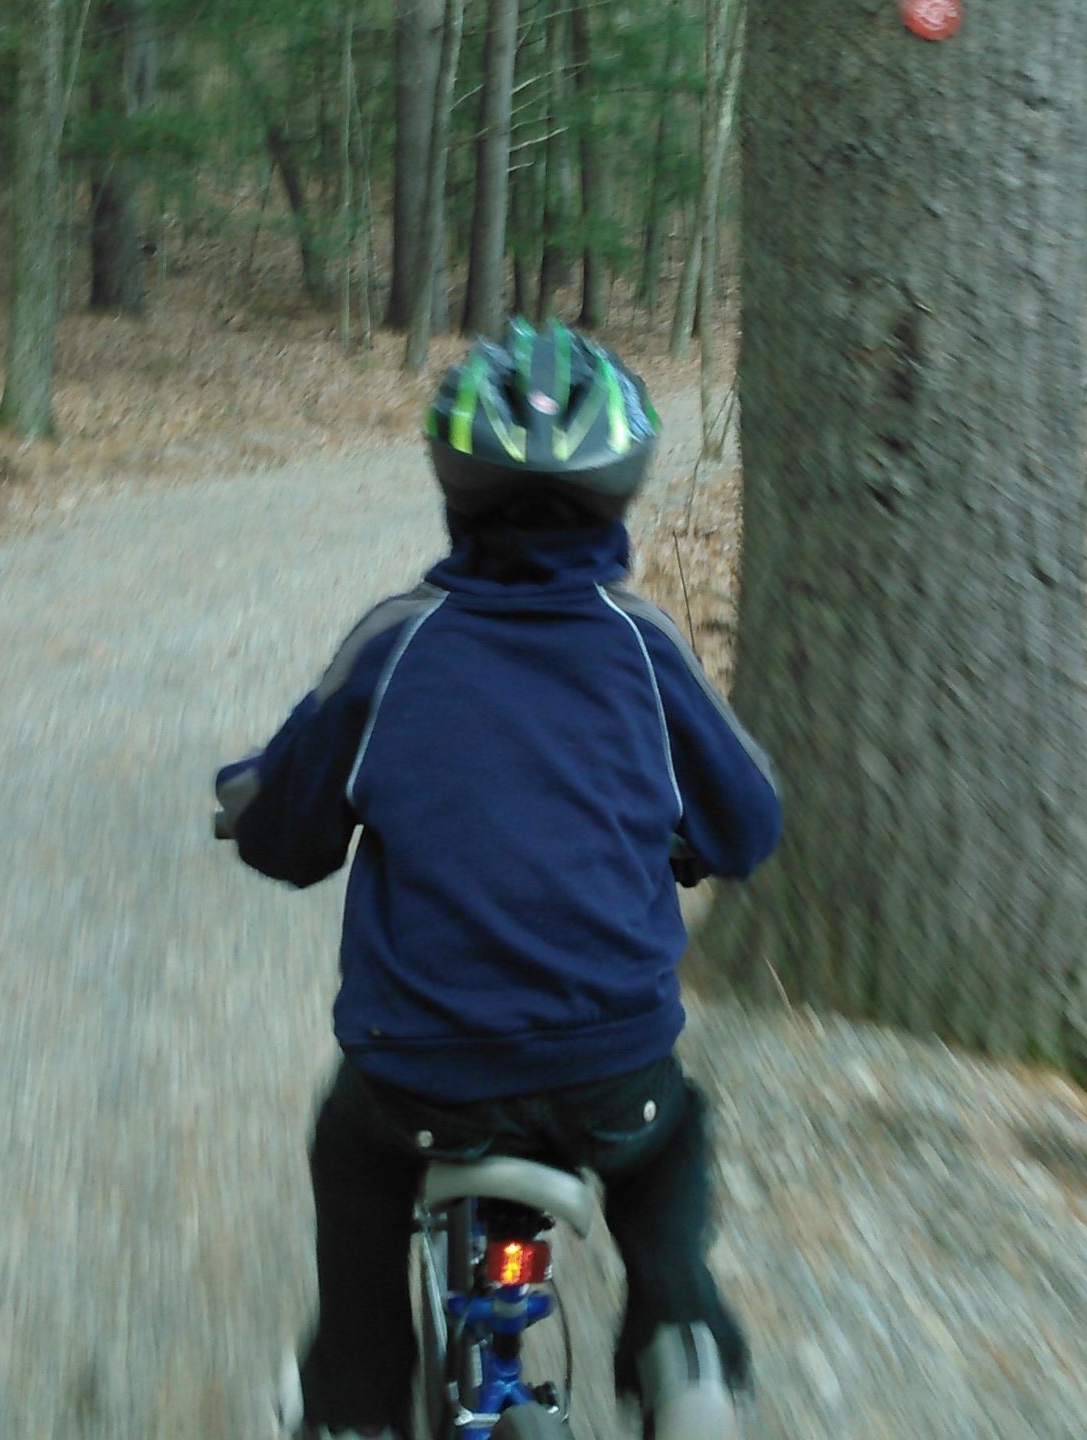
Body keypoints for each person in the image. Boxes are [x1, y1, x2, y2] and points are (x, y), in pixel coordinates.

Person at [215, 319, 782, 1440]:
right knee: (674, 1133)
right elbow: (747, 821)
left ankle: (357, 1395)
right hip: (612, 1074)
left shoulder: (394, 647)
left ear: (453, 492)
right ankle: (681, 1348)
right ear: (618, 495)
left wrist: (249, 802)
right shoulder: (645, 649)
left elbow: (287, 832)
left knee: (349, 1149)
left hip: (417, 1083)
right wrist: (681, 840)